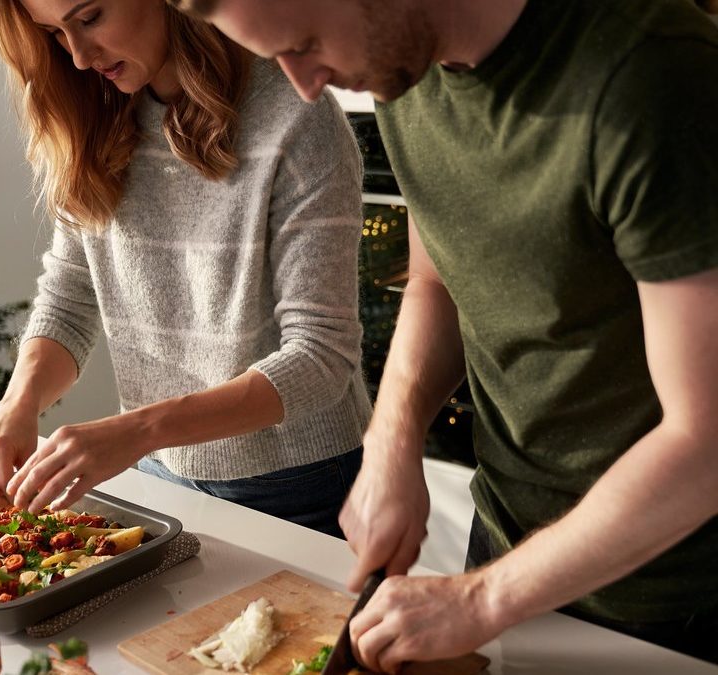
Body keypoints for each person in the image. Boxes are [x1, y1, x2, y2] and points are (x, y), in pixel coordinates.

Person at [168, 0, 718, 669]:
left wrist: (482, 602)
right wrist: (391, 437)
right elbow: (438, 277)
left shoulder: (652, 74)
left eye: (305, 43)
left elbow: (705, 442)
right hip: (507, 541)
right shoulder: (406, 63)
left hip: (670, 598)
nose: (306, 86)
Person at [0, 0, 373, 538]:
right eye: (55, 34)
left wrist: (139, 431)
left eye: (89, 18)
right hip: (159, 467)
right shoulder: (94, 116)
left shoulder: (296, 118)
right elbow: (72, 295)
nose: (81, 58)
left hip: (298, 481)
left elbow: (321, 357)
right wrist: (18, 405)